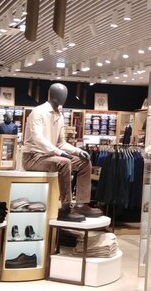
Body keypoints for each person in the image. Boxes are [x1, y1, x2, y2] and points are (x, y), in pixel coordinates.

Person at [22, 83, 101, 222]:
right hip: (33, 157)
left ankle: (81, 204)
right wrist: (58, 152)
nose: (64, 97)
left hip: (49, 156)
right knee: (64, 163)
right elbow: (37, 138)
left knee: (84, 162)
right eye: (62, 94)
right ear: (54, 95)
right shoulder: (38, 112)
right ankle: (65, 208)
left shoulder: (60, 115)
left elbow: (61, 142)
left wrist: (78, 151)